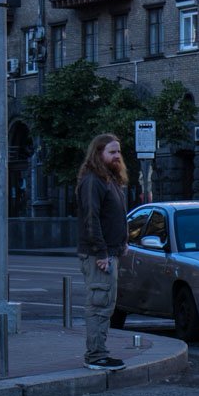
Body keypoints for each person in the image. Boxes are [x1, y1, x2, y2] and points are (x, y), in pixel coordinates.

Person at [77, 133, 129, 371]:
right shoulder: (92, 180)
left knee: (106, 303)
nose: (117, 156)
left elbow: (116, 215)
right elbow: (91, 219)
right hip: (100, 255)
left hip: (110, 252)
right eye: (112, 152)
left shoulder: (110, 179)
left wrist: (123, 241)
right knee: (99, 304)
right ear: (98, 154)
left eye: (118, 151)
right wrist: (101, 253)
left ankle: (100, 353)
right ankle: (96, 355)